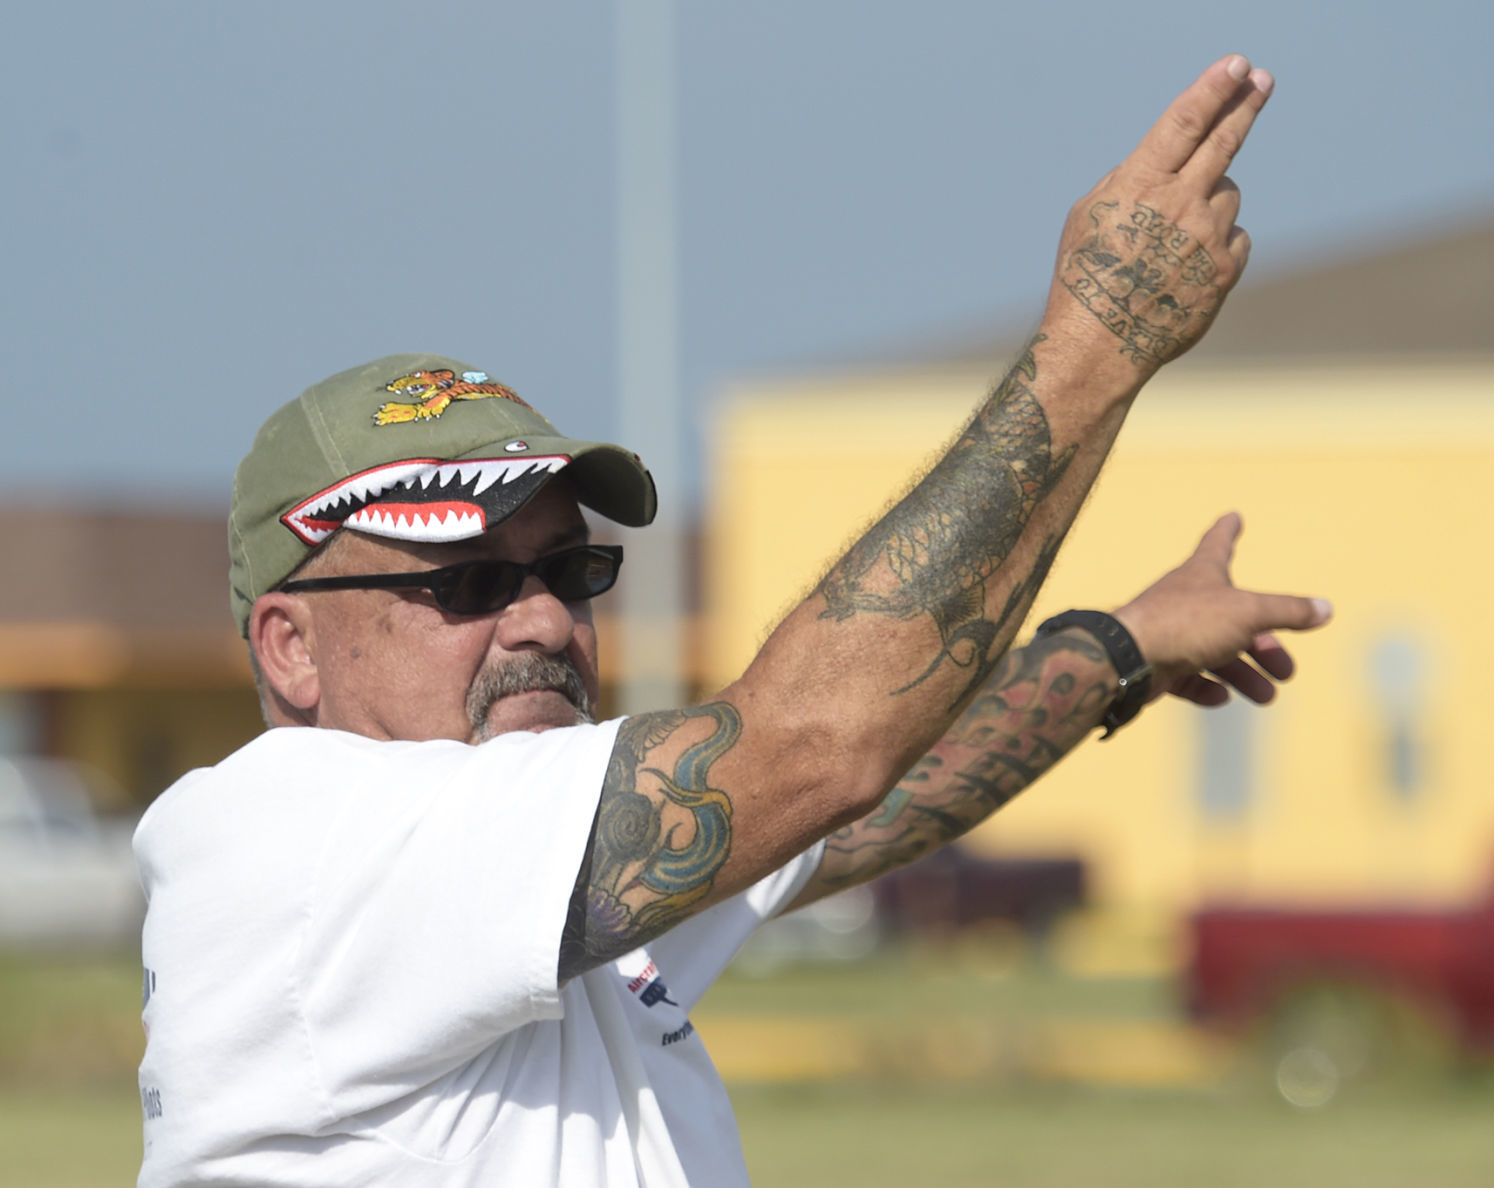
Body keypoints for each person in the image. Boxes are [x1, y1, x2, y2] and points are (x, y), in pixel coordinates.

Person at [135, 54, 1327, 1187]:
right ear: (289, 645)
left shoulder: (515, 866)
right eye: (468, 584)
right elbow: (816, 744)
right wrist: (1096, 344)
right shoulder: (299, 847)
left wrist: (1113, 650)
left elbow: (860, 802)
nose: (543, 619)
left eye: (569, 570)